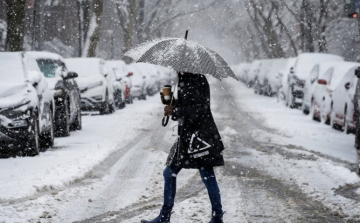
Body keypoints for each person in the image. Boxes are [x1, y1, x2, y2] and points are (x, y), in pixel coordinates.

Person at [141, 72, 225, 223]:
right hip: (187, 136)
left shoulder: (198, 79)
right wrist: (169, 99)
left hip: (200, 138)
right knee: (169, 172)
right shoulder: (184, 78)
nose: (175, 68)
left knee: (207, 176)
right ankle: (165, 217)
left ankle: (217, 216)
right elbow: (185, 105)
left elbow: (199, 109)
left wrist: (175, 111)